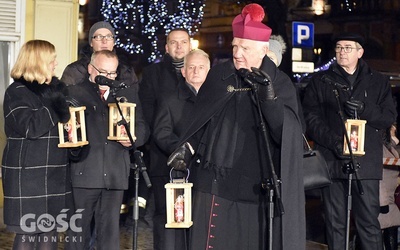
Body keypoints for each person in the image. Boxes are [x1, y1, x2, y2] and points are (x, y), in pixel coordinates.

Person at [167, 3, 305, 250]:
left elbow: (287, 133)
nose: (238, 53)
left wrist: (269, 99)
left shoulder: (280, 82)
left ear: (264, 49)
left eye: (245, 48)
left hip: (257, 186)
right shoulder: (219, 76)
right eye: (235, 46)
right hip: (214, 182)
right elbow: (201, 121)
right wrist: (187, 147)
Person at [302, 32, 397, 250]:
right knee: (336, 225)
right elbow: (310, 118)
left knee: (369, 224)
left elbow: (388, 117)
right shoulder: (320, 81)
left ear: (360, 52)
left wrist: (365, 109)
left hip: (366, 163)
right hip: (333, 162)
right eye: (339, 47)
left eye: (347, 47)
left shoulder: (378, 81)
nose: (342, 52)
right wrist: (336, 142)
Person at [66, 50, 149, 250]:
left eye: (112, 73)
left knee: (110, 236)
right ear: (90, 69)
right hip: (84, 174)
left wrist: (133, 139)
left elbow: (142, 127)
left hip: (115, 174)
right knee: (78, 233)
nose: (107, 78)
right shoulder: (74, 92)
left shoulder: (125, 94)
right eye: (103, 72)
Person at [2, 39, 72, 249]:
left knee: (49, 232)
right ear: (38, 62)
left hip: (55, 174)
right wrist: (57, 105)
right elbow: (31, 127)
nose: (56, 64)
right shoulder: (16, 92)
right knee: (27, 234)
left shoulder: (52, 92)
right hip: (28, 176)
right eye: (51, 60)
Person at [138, 27, 192, 250]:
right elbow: (148, 111)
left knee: (192, 215)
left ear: (190, 45)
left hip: (196, 157)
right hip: (163, 156)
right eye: (174, 42)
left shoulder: (202, 70)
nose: (179, 46)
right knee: (165, 214)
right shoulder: (153, 74)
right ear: (167, 47)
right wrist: (167, 141)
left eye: (183, 42)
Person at [379, 124, 400, 250]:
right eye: (393, 128)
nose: (395, 129)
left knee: (392, 226)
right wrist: (383, 203)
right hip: (382, 200)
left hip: (389, 199)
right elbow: (379, 176)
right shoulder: (381, 148)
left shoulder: (391, 148)